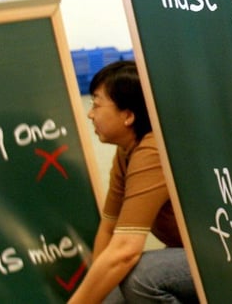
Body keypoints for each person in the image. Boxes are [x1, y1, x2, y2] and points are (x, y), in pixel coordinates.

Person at [69, 61, 196, 304]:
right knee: (109, 296)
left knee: (141, 277)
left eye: (96, 104)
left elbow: (126, 250)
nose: (90, 114)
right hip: (186, 251)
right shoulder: (127, 151)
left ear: (128, 116)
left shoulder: (153, 150)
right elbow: (109, 229)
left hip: (222, 257)